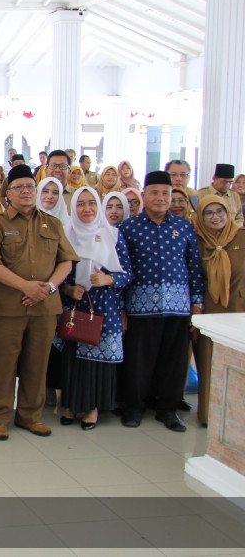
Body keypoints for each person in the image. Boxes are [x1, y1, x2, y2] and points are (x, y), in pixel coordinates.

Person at [0, 164, 78, 441]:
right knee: (2, 364)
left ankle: (30, 416)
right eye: (19, 187)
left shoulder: (53, 223)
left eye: (30, 187)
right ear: (7, 194)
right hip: (7, 308)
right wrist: (25, 286)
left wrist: (47, 287)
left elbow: (66, 262)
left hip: (44, 306)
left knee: (38, 363)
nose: (26, 192)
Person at [118, 171, 204, 432]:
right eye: (154, 192)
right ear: (144, 195)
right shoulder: (129, 227)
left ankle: (167, 409)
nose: (160, 198)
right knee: (138, 360)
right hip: (139, 307)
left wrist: (197, 305)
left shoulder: (184, 227)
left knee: (174, 361)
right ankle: (133, 407)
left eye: (165, 193)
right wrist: (121, 308)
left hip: (178, 307)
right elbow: (122, 269)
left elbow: (194, 268)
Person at [57, 187, 132, 430]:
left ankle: (92, 408)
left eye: (92, 203)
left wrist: (109, 279)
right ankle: (70, 404)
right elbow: (58, 270)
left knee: (98, 360)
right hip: (75, 305)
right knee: (73, 358)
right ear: (73, 208)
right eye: (81, 204)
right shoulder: (66, 234)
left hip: (104, 306)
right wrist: (68, 289)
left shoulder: (113, 235)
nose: (87, 209)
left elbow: (128, 274)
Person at [194, 196, 245, 427]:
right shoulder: (198, 241)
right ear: (201, 217)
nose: (216, 217)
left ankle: (236, 416)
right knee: (208, 364)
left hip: (238, 311)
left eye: (220, 211)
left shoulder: (241, 237)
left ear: (228, 213)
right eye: (209, 213)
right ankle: (209, 416)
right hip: (209, 314)